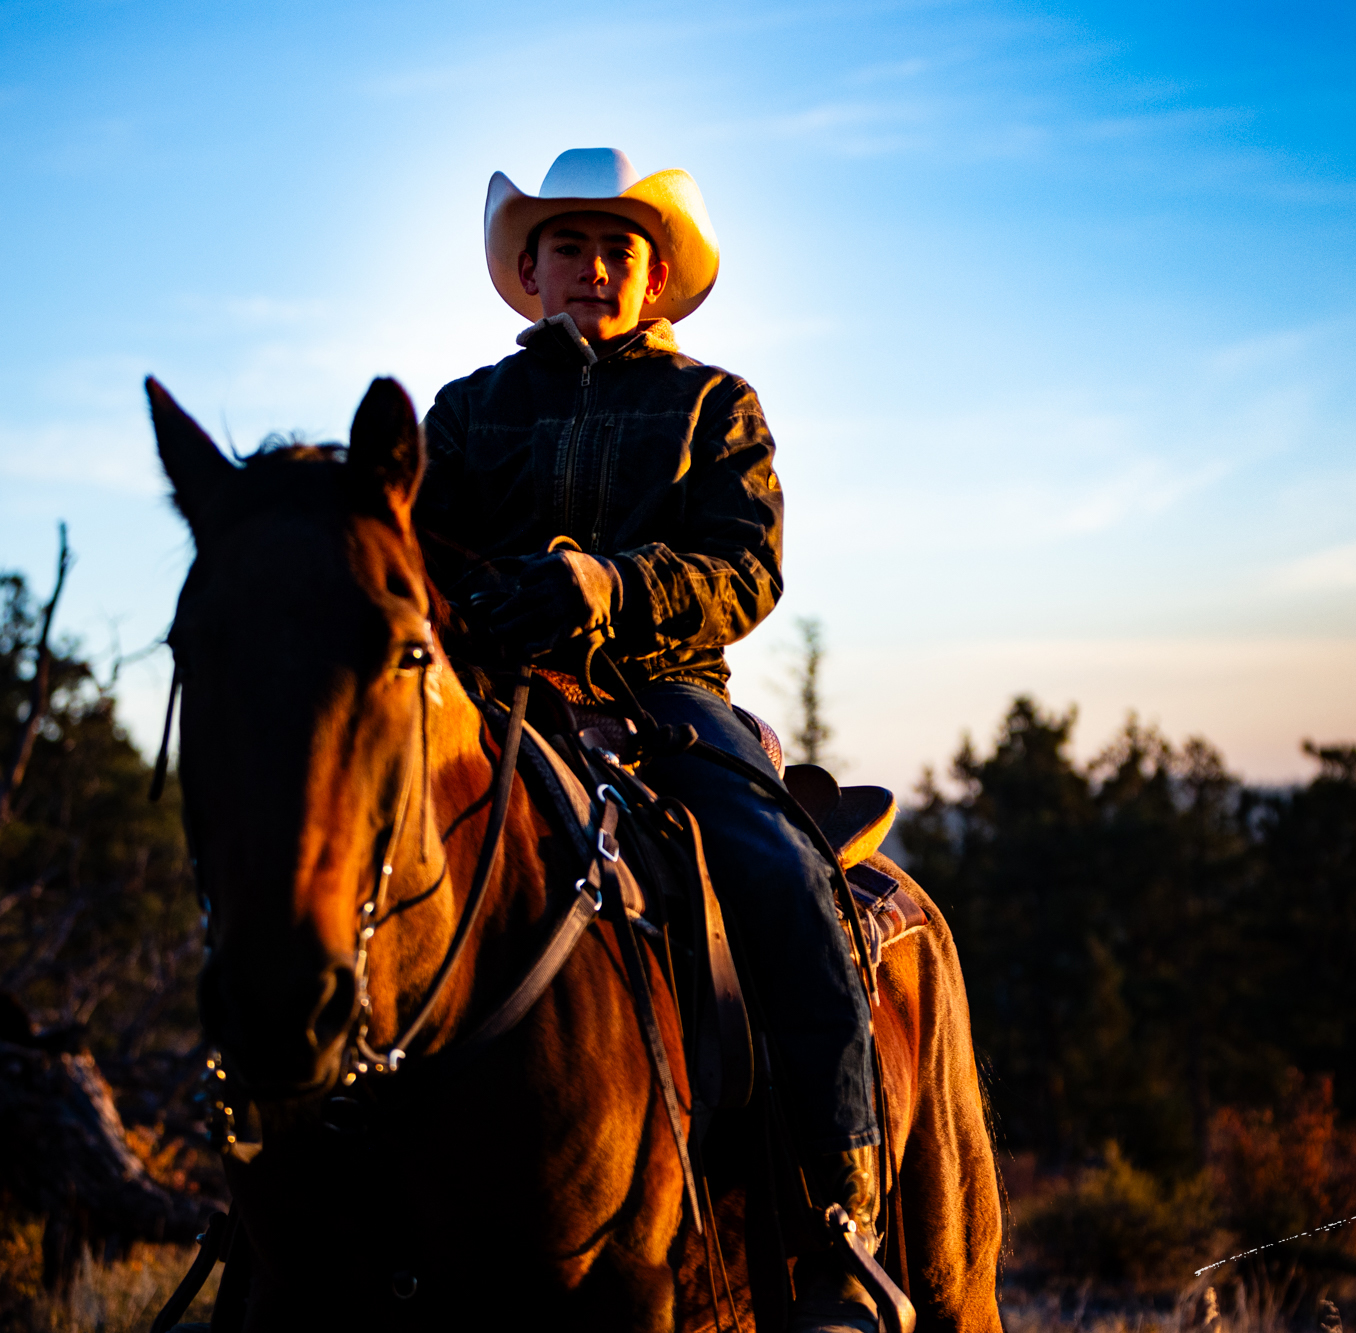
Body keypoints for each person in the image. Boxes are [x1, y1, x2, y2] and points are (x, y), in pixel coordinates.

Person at [415, 148, 882, 1333]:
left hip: (662, 695)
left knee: (781, 881)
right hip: (492, 693)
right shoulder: (466, 411)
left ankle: (840, 1208)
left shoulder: (714, 405)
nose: (592, 267)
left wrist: (607, 589)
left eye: (619, 248)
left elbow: (744, 567)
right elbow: (417, 551)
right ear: (527, 271)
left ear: (657, 276)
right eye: (567, 246)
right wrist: (479, 605)